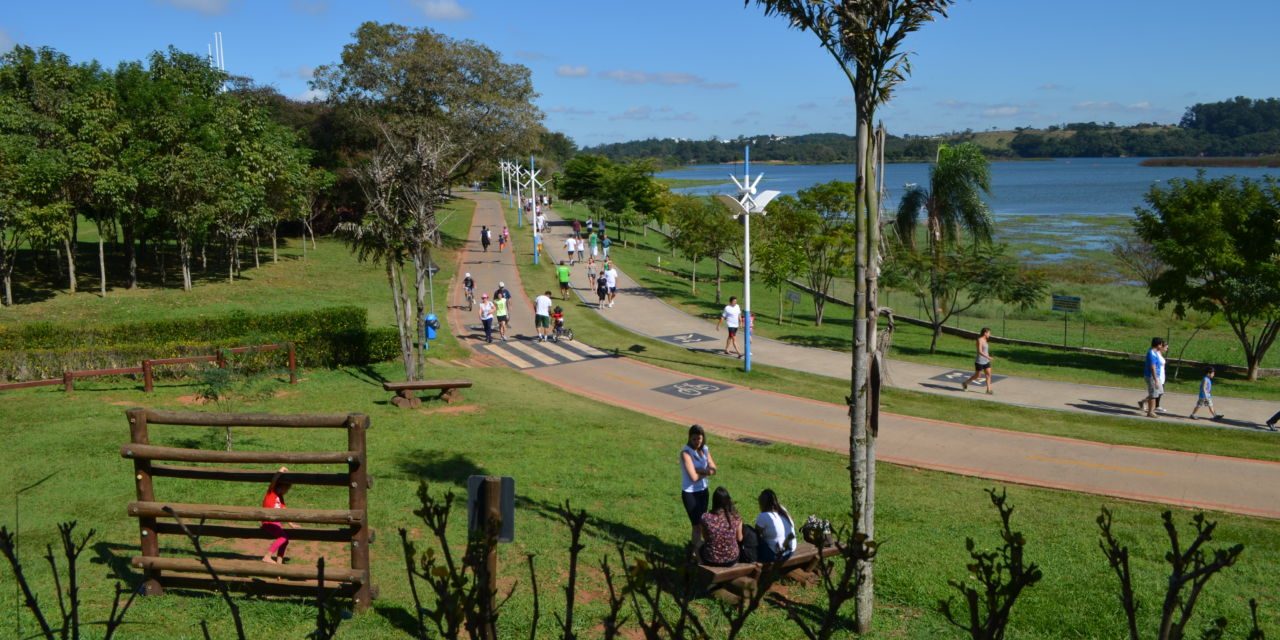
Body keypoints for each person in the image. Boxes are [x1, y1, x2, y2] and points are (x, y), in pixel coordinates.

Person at [679, 425, 717, 543]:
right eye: (694, 439)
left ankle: (697, 549)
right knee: (696, 526)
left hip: (703, 491)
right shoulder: (685, 453)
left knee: (702, 524)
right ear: (689, 438)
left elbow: (714, 469)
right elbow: (693, 478)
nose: (697, 442)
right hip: (690, 493)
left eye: (699, 439)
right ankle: (697, 554)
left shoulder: (705, 449)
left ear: (703, 438)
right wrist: (707, 472)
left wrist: (700, 470)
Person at [261, 467, 299, 564]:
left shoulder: (280, 498)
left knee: (285, 540)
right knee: (283, 538)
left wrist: (291, 524)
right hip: (268, 521)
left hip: (276, 522)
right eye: (287, 489)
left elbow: (284, 511)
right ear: (282, 487)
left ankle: (279, 562)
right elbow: (273, 481)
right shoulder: (271, 492)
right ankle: (267, 556)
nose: (287, 491)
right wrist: (280, 471)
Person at [699, 487, 743, 566]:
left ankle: (699, 567)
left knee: (698, 545)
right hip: (732, 559)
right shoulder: (736, 517)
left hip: (711, 559)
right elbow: (739, 538)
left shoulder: (705, 517)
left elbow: (705, 538)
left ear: (714, 501)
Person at [755, 489, 797, 563]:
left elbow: (756, 535)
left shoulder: (763, 516)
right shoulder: (782, 509)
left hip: (777, 555)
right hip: (791, 550)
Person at [1138, 337, 1168, 418]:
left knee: (1159, 392)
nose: (1162, 346)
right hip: (1151, 376)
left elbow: (1162, 350)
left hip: (1156, 376)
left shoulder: (1155, 352)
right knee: (1154, 394)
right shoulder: (1151, 353)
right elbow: (1152, 367)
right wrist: (1155, 380)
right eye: (1161, 344)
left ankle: (1144, 403)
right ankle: (1151, 412)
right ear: (1158, 345)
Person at [962, 327, 995, 394]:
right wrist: (988, 357)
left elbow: (986, 351)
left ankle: (988, 390)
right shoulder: (979, 340)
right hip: (979, 361)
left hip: (986, 361)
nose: (989, 335)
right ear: (985, 333)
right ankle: (965, 383)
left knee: (988, 374)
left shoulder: (985, 340)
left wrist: (988, 357)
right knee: (977, 376)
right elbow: (979, 351)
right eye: (989, 333)